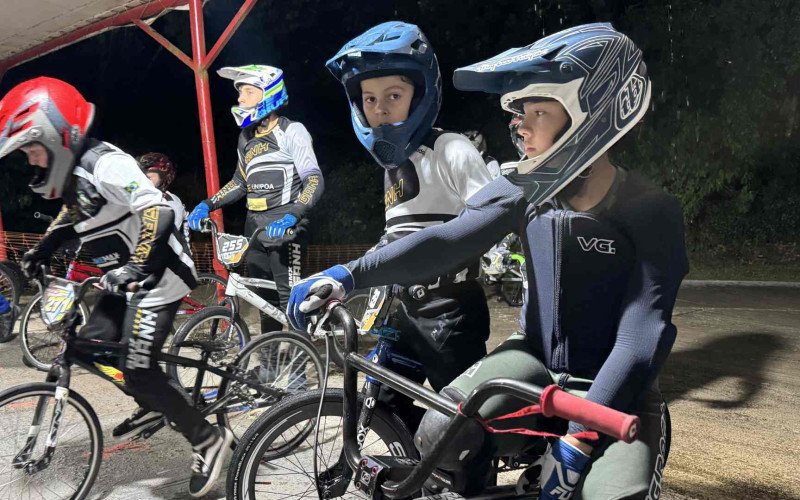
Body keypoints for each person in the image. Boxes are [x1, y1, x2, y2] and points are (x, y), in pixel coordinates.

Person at [289, 23, 688, 500]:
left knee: (611, 496)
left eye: (538, 110)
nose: (519, 125)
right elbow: (446, 240)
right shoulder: (523, 189)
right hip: (535, 359)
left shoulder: (651, 210)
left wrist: (581, 436)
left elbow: (644, 331)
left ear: (594, 114)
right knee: (439, 433)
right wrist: (349, 275)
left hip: (619, 389)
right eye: (518, 111)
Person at [0, 77, 231, 497]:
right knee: (87, 343)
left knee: (140, 370)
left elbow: (157, 211)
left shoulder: (106, 162)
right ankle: (155, 397)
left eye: (32, 148)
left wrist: (139, 264)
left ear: (54, 134)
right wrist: (43, 248)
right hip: (126, 280)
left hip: (159, 278)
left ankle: (207, 439)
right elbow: (73, 213)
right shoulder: (74, 176)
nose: (31, 160)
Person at [323, 21, 494, 429]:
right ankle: (424, 471)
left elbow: (494, 220)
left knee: (463, 424)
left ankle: (470, 480)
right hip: (404, 310)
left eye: (393, 95)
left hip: (451, 311)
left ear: (421, 93)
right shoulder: (394, 166)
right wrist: (352, 277)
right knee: (381, 406)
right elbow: (395, 235)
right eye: (368, 98)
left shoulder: (450, 148)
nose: (379, 108)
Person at [187, 65, 324, 333]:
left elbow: (314, 179)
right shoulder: (245, 138)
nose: (240, 98)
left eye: (248, 91)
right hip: (255, 227)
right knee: (265, 303)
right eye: (240, 92)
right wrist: (208, 203)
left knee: (291, 300)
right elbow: (240, 183)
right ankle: (269, 364)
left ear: (268, 94)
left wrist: (294, 215)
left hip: (285, 224)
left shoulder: (292, 131)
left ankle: (303, 374)